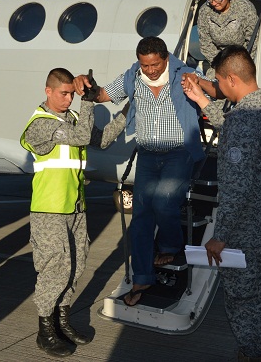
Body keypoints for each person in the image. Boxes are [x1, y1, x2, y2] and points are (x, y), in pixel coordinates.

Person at [73, 37, 204, 307]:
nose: (151, 70)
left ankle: (169, 246)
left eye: (155, 64)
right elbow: (103, 95)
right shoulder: (132, 76)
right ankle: (142, 276)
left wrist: (205, 87)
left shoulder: (186, 74)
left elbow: (211, 93)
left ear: (165, 58)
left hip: (178, 152)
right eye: (145, 65)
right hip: (147, 154)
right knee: (141, 215)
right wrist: (86, 85)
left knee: (165, 202)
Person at [183, 45, 261, 362]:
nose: (218, 88)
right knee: (254, 292)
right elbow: (233, 127)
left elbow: (237, 186)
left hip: (244, 230)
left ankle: (254, 355)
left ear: (230, 78)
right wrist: (202, 100)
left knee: (241, 298)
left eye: (218, 82)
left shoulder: (244, 119)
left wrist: (221, 235)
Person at [20, 67, 127, 357]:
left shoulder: (73, 120)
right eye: (63, 94)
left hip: (75, 206)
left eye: (71, 94)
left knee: (76, 265)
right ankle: (45, 330)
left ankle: (62, 321)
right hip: (49, 209)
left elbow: (100, 140)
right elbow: (81, 138)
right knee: (54, 269)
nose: (68, 99)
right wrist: (89, 99)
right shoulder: (40, 124)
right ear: (48, 91)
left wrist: (129, 110)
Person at [198, 0, 259, 77]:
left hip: (242, 61)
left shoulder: (245, 8)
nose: (213, 3)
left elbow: (252, 40)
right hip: (217, 62)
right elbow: (205, 43)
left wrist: (238, 63)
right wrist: (220, 64)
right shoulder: (205, 11)